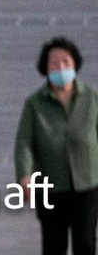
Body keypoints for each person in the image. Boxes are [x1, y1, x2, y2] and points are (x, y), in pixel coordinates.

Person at [16, 37, 98, 255]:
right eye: (54, 62)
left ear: (75, 65)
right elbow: (24, 143)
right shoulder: (35, 104)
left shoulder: (92, 98)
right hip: (50, 186)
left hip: (87, 184)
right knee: (53, 245)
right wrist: (25, 176)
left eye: (65, 62)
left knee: (86, 244)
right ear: (45, 67)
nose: (60, 67)